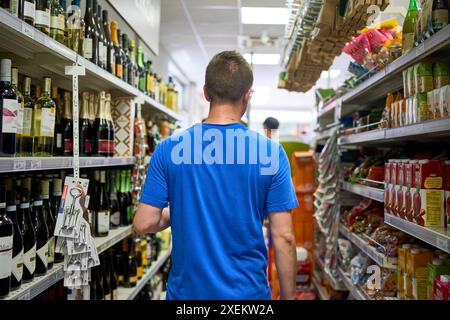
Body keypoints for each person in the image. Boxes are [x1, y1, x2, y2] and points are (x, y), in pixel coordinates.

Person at [133, 51, 298, 300]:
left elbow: (143, 223)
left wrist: (181, 210)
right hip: (247, 297)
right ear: (247, 95)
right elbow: (284, 237)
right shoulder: (270, 153)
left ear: (206, 92)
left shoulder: (169, 148)